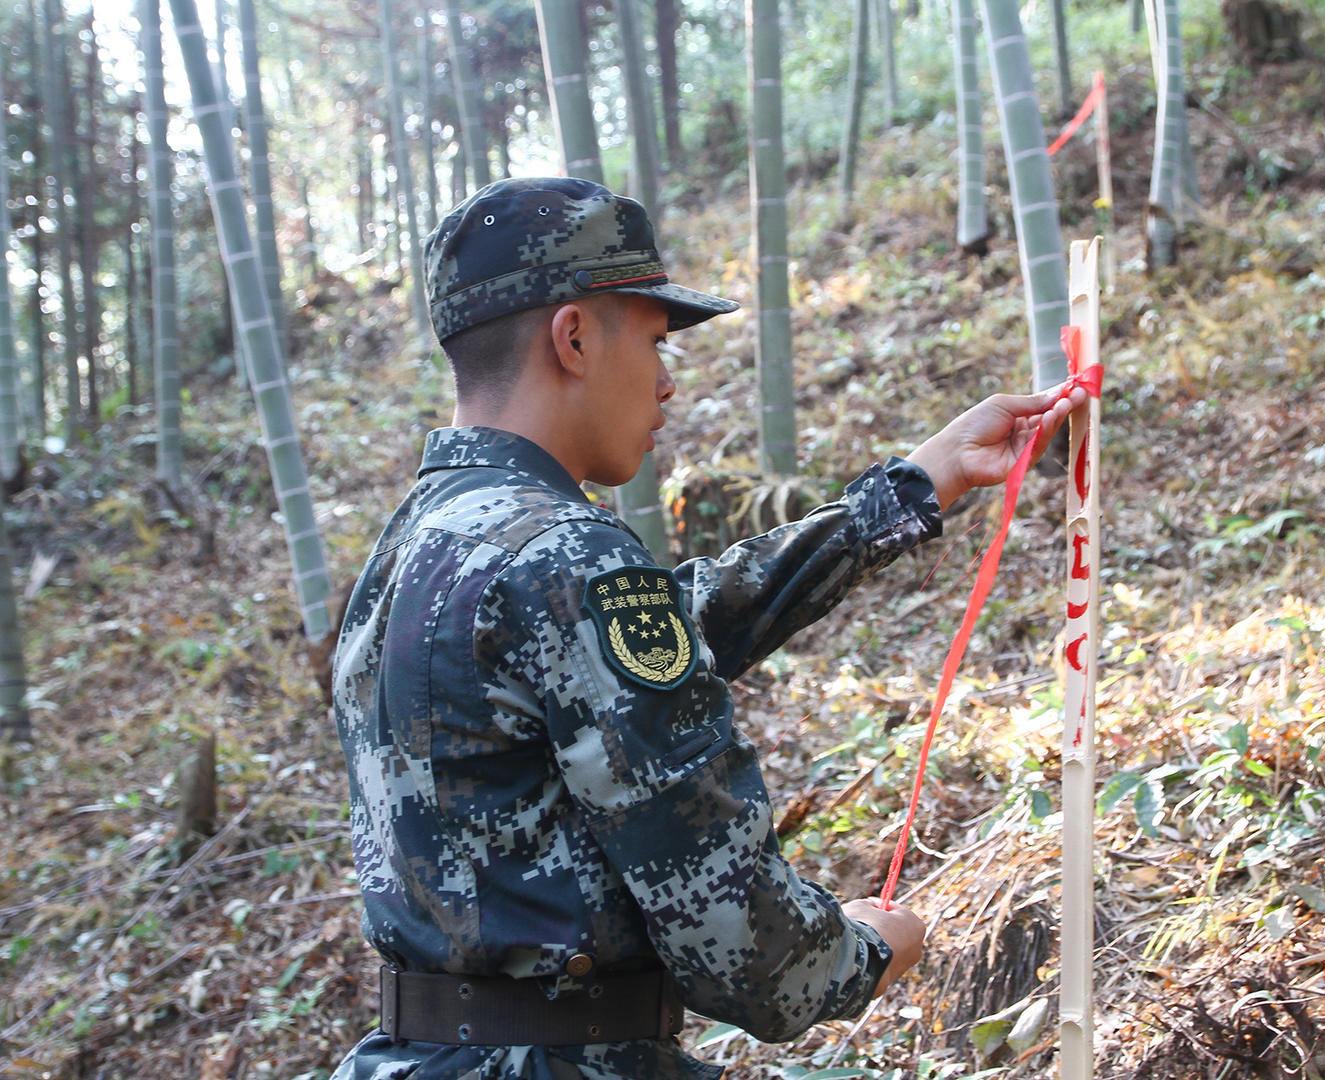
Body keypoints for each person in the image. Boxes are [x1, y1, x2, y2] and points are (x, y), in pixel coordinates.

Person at [329, 176, 1087, 1080]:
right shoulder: (568, 557)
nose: (667, 381)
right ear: (573, 337)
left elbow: (662, 629)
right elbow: (750, 953)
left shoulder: (415, 545)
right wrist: (868, 949)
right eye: (652, 340)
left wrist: (909, 492)